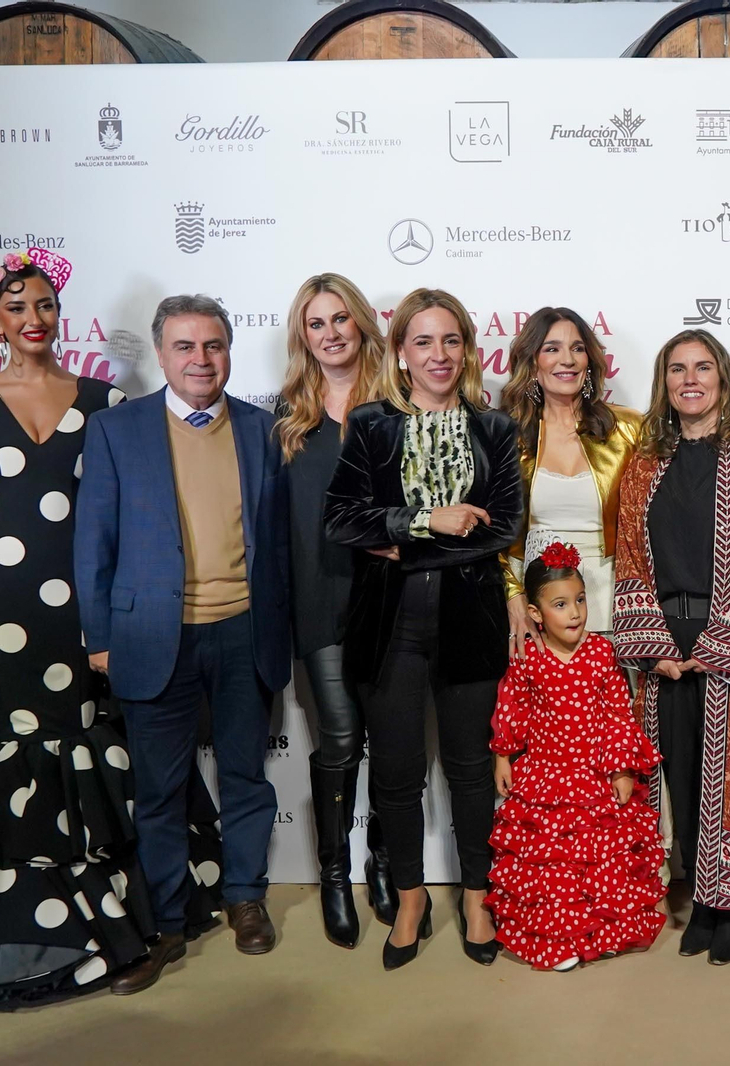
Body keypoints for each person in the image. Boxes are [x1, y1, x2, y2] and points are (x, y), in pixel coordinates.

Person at [0, 251, 219, 1007]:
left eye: (46, 305)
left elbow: (120, 508)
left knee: (81, 728)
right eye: (18, 306)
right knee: (11, 740)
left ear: (59, 314)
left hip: (81, 603)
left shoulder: (103, 398)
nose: (34, 319)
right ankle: (10, 916)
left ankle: (103, 909)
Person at [75, 293, 291, 990]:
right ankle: (166, 923)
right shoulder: (116, 430)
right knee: (161, 791)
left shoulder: (264, 430)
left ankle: (244, 898)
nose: (201, 360)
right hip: (148, 636)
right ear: (162, 353)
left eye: (213, 346)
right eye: (185, 347)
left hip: (242, 631)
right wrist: (100, 636)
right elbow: (93, 540)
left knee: (246, 777)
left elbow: (280, 545)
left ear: (229, 351)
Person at [324, 287, 524, 971]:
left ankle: (477, 896)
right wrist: (426, 520)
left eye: (450, 341)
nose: (438, 356)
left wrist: (399, 540)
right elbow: (341, 522)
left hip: (471, 625)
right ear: (401, 355)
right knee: (398, 772)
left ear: (465, 349)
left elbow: (503, 527)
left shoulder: (494, 429)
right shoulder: (373, 425)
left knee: (471, 772)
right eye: (422, 343)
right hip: (388, 630)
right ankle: (410, 897)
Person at [613, 328, 730, 966]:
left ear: (722, 378)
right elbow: (630, 558)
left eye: (703, 367)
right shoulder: (644, 462)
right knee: (683, 775)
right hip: (666, 641)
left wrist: (720, 645)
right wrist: (652, 644)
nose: (690, 380)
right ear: (664, 384)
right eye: (677, 370)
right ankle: (698, 893)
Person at [273, 273, 396, 948]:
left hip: (393, 606)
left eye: (340, 319)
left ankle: (382, 863)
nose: (331, 334)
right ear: (304, 336)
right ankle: (332, 872)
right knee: (342, 740)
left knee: (393, 742)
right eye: (317, 324)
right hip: (321, 602)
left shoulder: (400, 406)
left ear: (361, 326)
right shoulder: (288, 421)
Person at [486, 542, 666, 971]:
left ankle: (603, 933)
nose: (575, 613)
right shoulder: (529, 660)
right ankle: (559, 940)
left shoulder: (601, 655)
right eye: (561, 604)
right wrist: (503, 757)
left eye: (580, 601)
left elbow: (618, 715)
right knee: (556, 868)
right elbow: (512, 707)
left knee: (600, 861)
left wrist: (622, 770)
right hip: (546, 778)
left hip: (594, 777)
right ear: (535, 614)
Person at [500, 307, 642, 652]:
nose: (568, 360)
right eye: (552, 349)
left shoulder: (628, 428)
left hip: (613, 606)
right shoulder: (505, 435)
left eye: (577, 348)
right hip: (535, 614)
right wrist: (513, 594)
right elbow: (493, 533)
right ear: (532, 362)